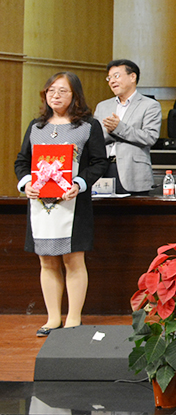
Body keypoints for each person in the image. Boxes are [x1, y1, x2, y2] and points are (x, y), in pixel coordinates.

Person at [14, 72, 109, 336]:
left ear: (75, 95)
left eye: (62, 91)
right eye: (51, 91)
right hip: (41, 206)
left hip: (74, 203)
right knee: (46, 261)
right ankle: (53, 318)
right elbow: (22, 161)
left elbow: (99, 162)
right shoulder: (36, 126)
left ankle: (74, 319)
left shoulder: (88, 125)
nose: (55, 96)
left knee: (73, 260)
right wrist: (26, 183)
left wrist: (79, 183)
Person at [94, 60, 162, 195]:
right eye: (109, 78)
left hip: (133, 173)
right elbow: (95, 138)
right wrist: (110, 131)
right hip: (104, 170)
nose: (112, 81)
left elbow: (150, 137)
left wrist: (119, 128)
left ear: (132, 77)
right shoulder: (102, 106)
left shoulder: (150, 105)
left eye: (116, 76)